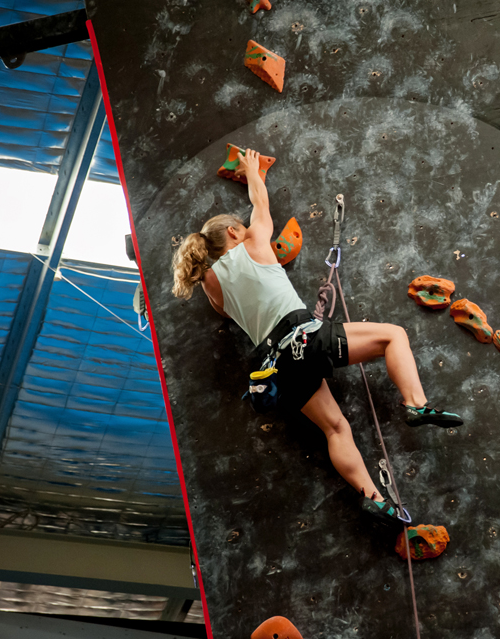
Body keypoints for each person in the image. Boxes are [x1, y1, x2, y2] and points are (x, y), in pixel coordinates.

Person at [170, 148, 462, 525]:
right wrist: (253, 170)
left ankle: (374, 497)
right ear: (232, 233)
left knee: (335, 427)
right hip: (304, 336)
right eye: (239, 228)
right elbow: (260, 200)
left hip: (274, 366)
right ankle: (415, 404)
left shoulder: (210, 283)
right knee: (393, 335)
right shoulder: (253, 242)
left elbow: (226, 313)